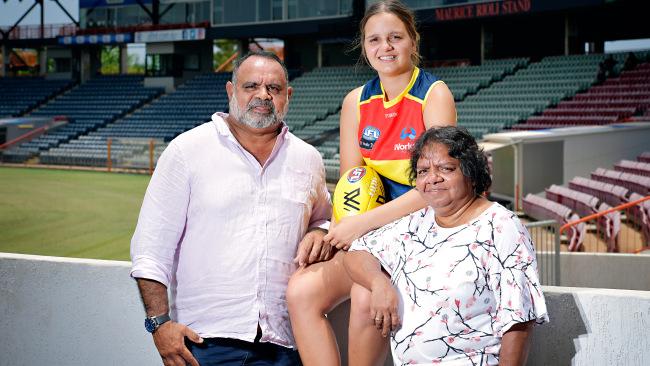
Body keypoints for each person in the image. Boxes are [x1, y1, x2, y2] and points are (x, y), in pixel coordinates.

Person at [130, 50, 332, 366]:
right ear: (230, 91)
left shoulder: (308, 160)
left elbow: (324, 218)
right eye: (251, 86)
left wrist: (320, 231)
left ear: (288, 96)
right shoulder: (187, 151)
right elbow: (150, 250)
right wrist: (159, 325)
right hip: (206, 344)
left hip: (286, 343)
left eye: (274, 89)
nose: (263, 95)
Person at [286, 1, 456, 365]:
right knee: (301, 290)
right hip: (375, 232)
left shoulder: (434, 94)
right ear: (364, 48)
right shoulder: (356, 103)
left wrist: (361, 225)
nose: (386, 47)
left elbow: (438, 187)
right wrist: (337, 229)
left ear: (413, 41)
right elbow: (354, 183)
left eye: (396, 37)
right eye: (374, 40)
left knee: (366, 296)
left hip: (425, 229)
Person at [344, 126, 549, 365]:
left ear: (471, 173)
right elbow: (358, 252)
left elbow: (518, 319)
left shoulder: (502, 227)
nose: (432, 178)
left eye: (446, 168)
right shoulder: (417, 222)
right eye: (423, 171)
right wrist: (378, 283)